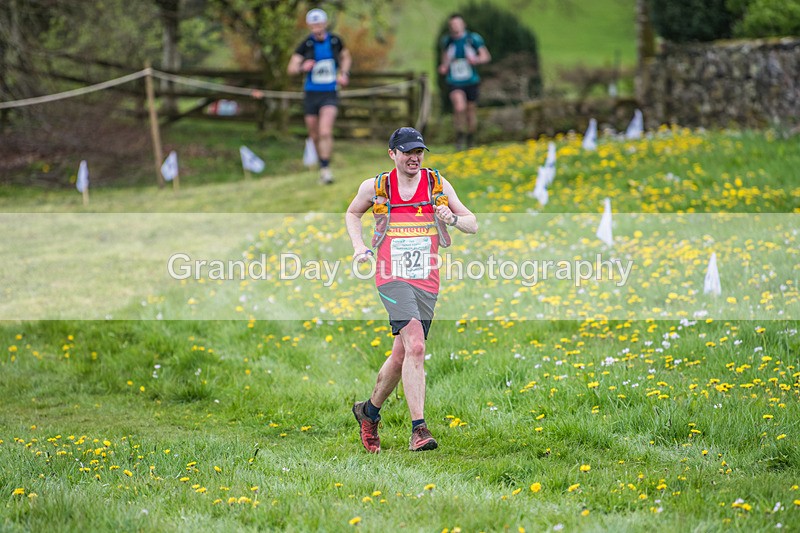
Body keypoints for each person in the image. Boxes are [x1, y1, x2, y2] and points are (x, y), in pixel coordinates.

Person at [345, 127, 478, 453]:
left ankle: (369, 412)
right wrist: (358, 246)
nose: (414, 157)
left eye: (419, 151)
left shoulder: (436, 184)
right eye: (407, 152)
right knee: (416, 345)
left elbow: (472, 223)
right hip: (391, 277)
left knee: (402, 353)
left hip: (426, 280)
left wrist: (452, 218)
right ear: (392, 154)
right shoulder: (376, 187)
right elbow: (352, 213)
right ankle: (419, 430)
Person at [287, 8, 352, 184]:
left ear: (324, 24)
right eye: (313, 24)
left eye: (319, 23)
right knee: (314, 135)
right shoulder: (305, 44)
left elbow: (346, 57)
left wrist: (344, 73)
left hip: (329, 93)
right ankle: (322, 165)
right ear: (309, 26)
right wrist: (302, 67)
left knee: (325, 131)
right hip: (311, 94)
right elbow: (291, 68)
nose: (316, 27)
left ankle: (326, 169)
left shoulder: (335, 41)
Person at [437, 14, 491, 151]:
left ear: (463, 25)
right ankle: (459, 137)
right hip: (454, 80)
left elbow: (485, 56)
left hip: (471, 80)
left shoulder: (473, 39)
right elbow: (445, 59)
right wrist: (444, 66)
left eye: (457, 24)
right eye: (452, 25)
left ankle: (470, 138)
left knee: (470, 112)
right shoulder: (447, 41)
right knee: (459, 107)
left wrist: (476, 60)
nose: (455, 27)